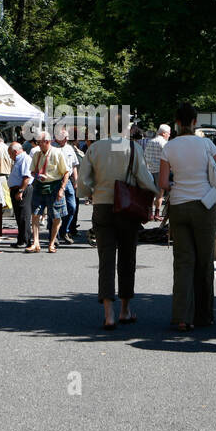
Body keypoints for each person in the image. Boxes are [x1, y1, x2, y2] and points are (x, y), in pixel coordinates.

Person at [159, 103, 216, 331]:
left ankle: (181, 317)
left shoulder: (169, 147)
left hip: (179, 206)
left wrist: (176, 183)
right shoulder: (206, 144)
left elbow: (162, 184)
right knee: (204, 261)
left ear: (177, 123)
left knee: (183, 262)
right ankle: (203, 315)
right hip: (204, 206)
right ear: (195, 121)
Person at [81, 132, 158, 328]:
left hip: (102, 205)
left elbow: (83, 181)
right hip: (127, 207)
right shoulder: (132, 147)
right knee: (127, 257)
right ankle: (125, 309)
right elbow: (144, 178)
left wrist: (92, 192)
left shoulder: (95, 148)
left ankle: (109, 314)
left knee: (105, 259)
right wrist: (155, 193)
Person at [28, 131, 70, 253]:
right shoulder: (37, 154)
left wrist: (62, 189)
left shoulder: (57, 153)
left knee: (56, 216)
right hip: (39, 186)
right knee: (35, 214)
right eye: (38, 142)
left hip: (54, 186)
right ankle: (36, 243)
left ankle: (51, 243)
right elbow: (32, 172)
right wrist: (37, 175)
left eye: (40, 142)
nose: (38, 145)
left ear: (47, 141)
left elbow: (66, 172)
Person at [54, 129, 82, 244]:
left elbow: (74, 166)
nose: (66, 139)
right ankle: (54, 234)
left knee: (72, 207)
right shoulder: (53, 148)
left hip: (69, 180)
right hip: (56, 180)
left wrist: (76, 182)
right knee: (54, 208)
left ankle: (64, 230)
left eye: (66, 137)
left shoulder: (70, 148)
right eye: (63, 137)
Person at [7, 140, 33, 248]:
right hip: (17, 189)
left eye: (10, 154)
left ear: (15, 152)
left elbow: (26, 177)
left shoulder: (25, 159)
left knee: (24, 215)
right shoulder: (19, 159)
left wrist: (21, 191)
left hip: (22, 189)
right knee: (19, 215)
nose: (10, 156)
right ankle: (21, 239)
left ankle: (26, 240)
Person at [143, 124, 170, 221]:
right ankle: (157, 214)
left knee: (150, 193)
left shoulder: (150, 142)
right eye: (168, 133)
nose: (169, 135)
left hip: (149, 170)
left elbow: (145, 155)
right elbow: (167, 158)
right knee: (159, 194)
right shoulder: (164, 143)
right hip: (160, 170)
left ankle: (150, 214)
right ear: (164, 133)